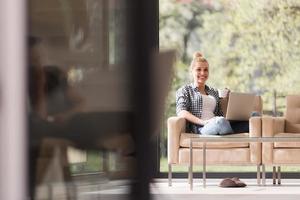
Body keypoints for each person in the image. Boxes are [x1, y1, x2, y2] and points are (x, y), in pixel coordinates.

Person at [176, 52, 233, 135]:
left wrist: (228, 99)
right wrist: (203, 122)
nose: (202, 73)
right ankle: (231, 132)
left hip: (217, 123)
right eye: (198, 69)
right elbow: (181, 112)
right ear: (192, 71)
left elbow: (220, 115)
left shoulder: (213, 92)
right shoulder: (185, 90)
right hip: (201, 128)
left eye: (205, 70)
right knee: (220, 122)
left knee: (252, 117)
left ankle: (228, 131)